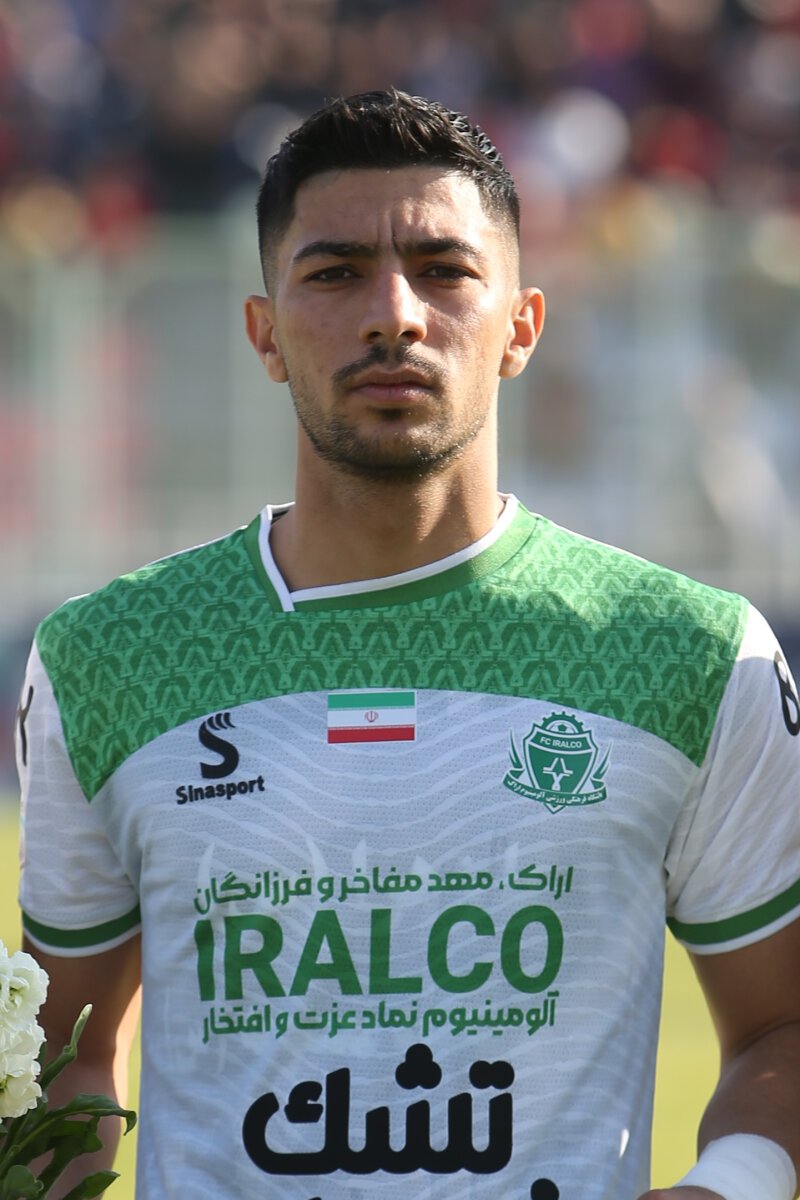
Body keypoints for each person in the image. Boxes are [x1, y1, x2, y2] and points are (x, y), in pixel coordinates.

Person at [15, 88, 800, 1200]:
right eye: (335, 273)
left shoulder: (691, 653)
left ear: (520, 327)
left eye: (443, 270)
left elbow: (780, 1025)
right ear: (265, 334)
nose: (394, 314)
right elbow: (66, 1061)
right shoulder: (110, 655)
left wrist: (731, 1184)